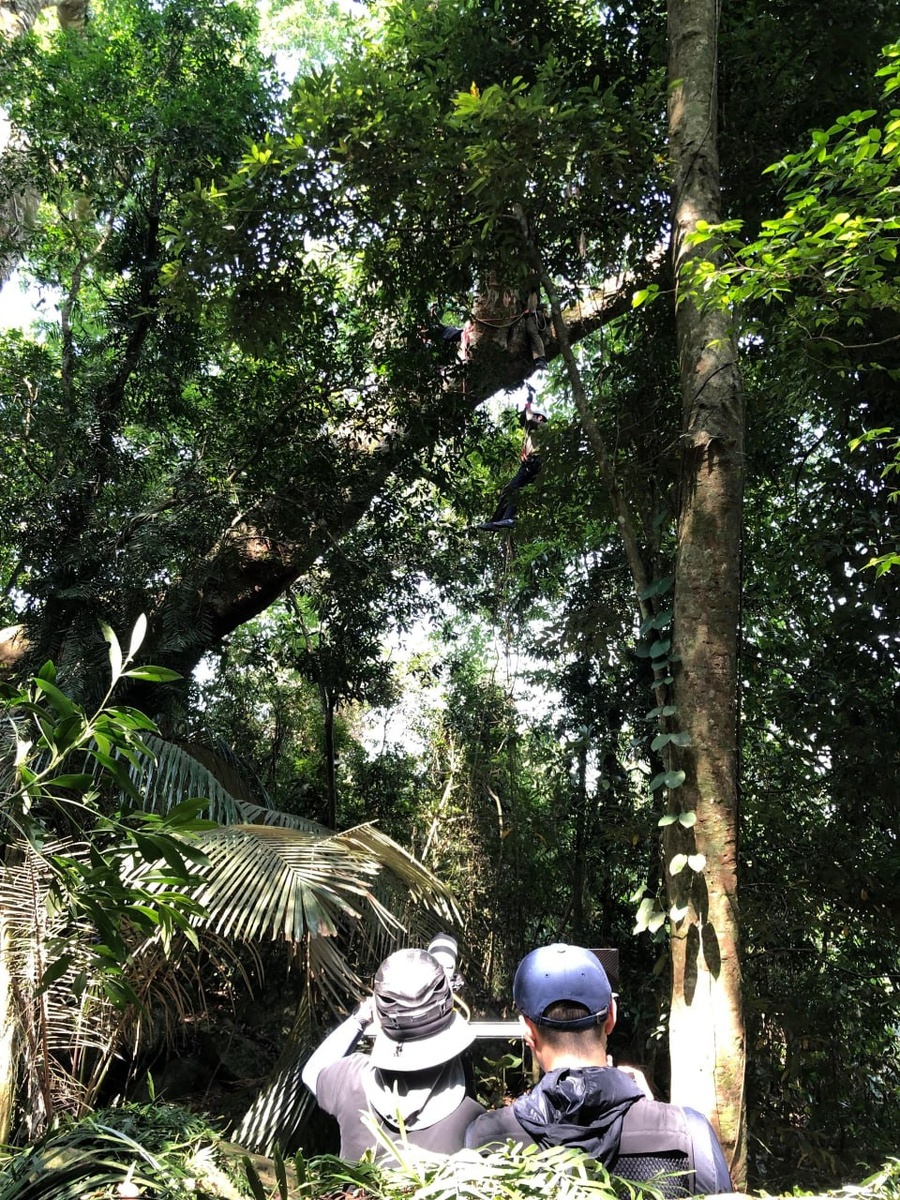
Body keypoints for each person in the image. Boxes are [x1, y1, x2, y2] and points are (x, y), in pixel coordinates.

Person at [465, 944, 732, 1196]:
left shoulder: (484, 1141)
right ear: (611, 1017)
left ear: (528, 1032)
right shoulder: (688, 1135)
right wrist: (651, 1114)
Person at [302, 937, 484, 1161]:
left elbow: (312, 1072)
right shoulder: (470, 1117)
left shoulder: (350, 1079)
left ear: (381, 1014)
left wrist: (361, 1018)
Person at [477, 396, 547, 532]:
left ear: (539, 417)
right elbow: (526, 421)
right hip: (529, 463)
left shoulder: (543, 427)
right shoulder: (531, 434)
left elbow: (529, 419)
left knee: (512, 490)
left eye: (535, 416)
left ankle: (509, 518)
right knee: (509, 490)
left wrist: (528, 406)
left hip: (535, 462)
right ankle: (495, 522)